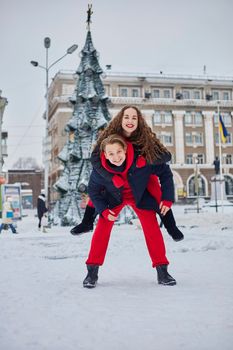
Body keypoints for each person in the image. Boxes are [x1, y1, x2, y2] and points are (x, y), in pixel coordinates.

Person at [71, 105, 184, 242]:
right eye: (126, 117)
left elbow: (166, 156)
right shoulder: (111, 136)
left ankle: (171, 227)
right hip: (117, 173)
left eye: (134, 118)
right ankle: (87, 222)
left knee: (156, 191)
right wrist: (111, 177)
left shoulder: (144, 136)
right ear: (120, 119)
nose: (130, 120)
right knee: (99, 188)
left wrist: (145, 159)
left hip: (141, 173)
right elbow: (95, 158)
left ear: (139, 121)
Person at [83, 134, 177, 288]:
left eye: (119, 152)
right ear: (105, 155)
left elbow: (164, 171)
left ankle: (163, 271)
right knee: (102, 227)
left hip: (139, 195)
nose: (116, 157)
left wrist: (166, 198)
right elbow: (93, 191)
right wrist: (104, 211)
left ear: (125, 150)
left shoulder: (140, 158)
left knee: (152, 227)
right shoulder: (99, 170)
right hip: (114, 197)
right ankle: (91, 272)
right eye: (111, 154)